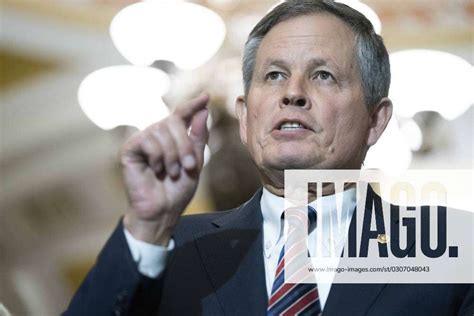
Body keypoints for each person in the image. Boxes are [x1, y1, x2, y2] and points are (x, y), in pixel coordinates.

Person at [64, 1, 473, 315]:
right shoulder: (171, 248)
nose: (291, 93)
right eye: (274, 75)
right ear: (244, 117)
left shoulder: (453, 245)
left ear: (376, 120)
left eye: (323, 75)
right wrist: (146, 227)